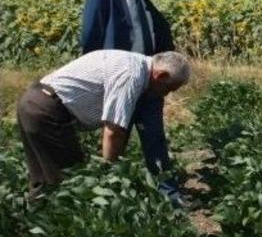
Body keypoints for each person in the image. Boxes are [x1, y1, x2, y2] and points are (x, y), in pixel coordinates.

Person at [16, 50, 191, 197]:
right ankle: (59, 232)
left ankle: (33, 226)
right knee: (73, 181)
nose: (166, 95)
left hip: (33, 102)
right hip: (46, 111)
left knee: (43, 178)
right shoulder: (131, 76)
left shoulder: (133, 63)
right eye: (168, 88)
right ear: (160, 75)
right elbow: (113, 131)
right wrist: (110, 176)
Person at [80, 0, 175, 177]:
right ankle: (113, 188)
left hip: (148, 79)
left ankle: (167, 191)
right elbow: (91, 45)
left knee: (155, 137)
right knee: (116, 136)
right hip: (120, 81)